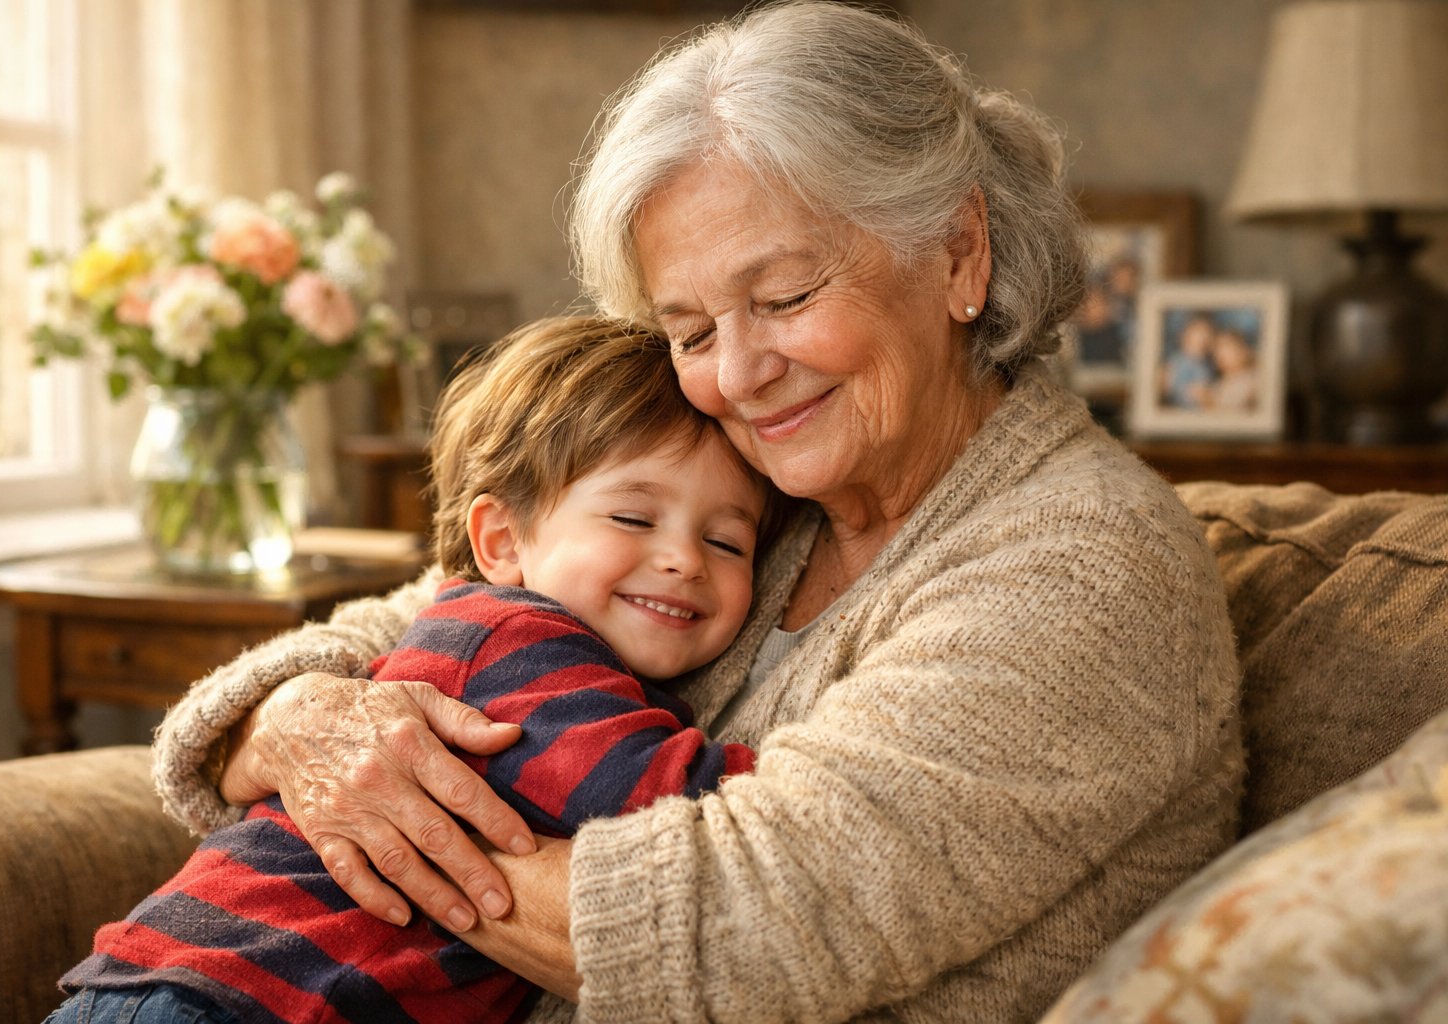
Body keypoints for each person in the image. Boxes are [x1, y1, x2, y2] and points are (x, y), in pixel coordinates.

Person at [151, 4, 1243, 1021]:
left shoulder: (1087, 566)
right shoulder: (763, 498)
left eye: (784, 298)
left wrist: (397, 815)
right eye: (690, 329)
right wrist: (299, 719)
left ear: (960, 252)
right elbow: (451, 611)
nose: (739, 374)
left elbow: (744, 922)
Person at [48, 318, 770, 1024]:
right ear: (502, 540)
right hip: (231, 994)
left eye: (726, 541)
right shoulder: (517, 639)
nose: (685, 559)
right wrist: (783, 777)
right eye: (635, 520)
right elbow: (648, 790)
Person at [1161, 311, 1218, 410]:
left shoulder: (1210, 365)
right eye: (1198, 332)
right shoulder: (1174, 363)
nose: (1203, 337)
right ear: (1185, 334)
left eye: (1208, 333)